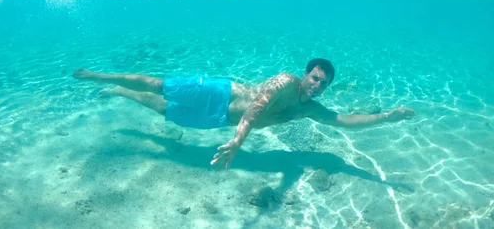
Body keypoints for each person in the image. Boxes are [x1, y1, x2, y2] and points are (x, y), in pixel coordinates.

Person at [73, 58, 416, 169]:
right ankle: (100, 75)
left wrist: (384, 117)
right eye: (314, 78)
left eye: (322, 85)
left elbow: (342, 122)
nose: (316, 86)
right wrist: (238, 142)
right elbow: (256, 108)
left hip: (218, 119)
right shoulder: (284, 82)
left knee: (163, 109)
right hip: (220, 92)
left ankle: (120, 91)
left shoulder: (309, 108)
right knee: (158, 85)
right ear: (306, 73)